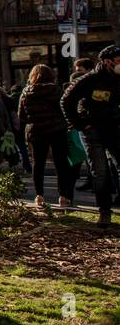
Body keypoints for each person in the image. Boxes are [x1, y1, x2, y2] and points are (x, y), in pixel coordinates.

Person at [62, 46, 120, 225]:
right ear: (107, 61)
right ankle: (104, 211)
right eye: (118, 60)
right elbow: (66, 100)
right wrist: (80, 124)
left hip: (115, 128)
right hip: (92, 130)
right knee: (99, 170)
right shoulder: (89, 80)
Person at [19, 64, 74, 209]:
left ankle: (39, 196)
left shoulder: (26, 92)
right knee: (61, 163)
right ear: (51, 75)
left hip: (36, 131)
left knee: (38, 163)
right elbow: (64, 110)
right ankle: (63, 196)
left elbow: (21, 115)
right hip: (56, 130)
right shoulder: (56, 90)